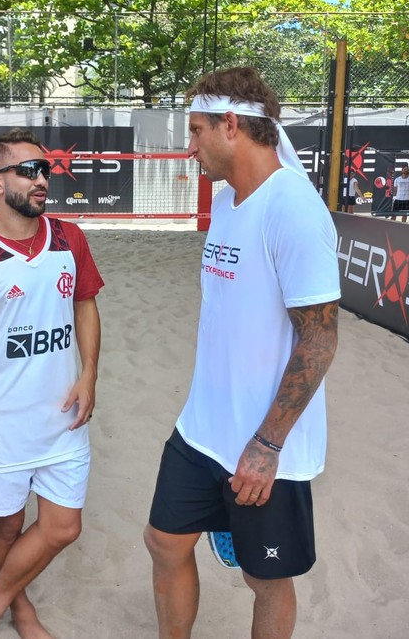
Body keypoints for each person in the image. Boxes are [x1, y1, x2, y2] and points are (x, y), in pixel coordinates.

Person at [144, 67, 340, 639]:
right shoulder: (229, 202)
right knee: (163, 542)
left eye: (197, 130)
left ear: (231, 125)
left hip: (262, 444)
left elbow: (320, 338)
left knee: (266, 579)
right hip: (202, 428)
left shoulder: (295, 211)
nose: (191, 146)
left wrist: (267, 443)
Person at [0, 128, 104, 639]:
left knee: (63, 527)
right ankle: (19, 608)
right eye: (28, 170)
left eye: (46, 170)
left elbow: (85, 304)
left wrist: (90, 373)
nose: (41, 180)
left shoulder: (69, 238)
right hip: (3, 425)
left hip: (63, 419)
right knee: (7, 527)